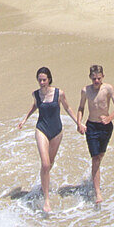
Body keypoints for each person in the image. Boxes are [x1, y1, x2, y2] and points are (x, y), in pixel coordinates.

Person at [17, 66, 78, 213]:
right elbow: (35, 106)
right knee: (45, 164)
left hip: (57, 131)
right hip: (42, 130)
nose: (42, 82)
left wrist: (78, 123)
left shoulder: (59, 93)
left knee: (50, 164)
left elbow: (68, 108)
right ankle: (46, 200)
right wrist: (25, 119)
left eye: (44, 80)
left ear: (49, 79)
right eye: (39, 80)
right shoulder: (36, 94)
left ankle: (43, 183)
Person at [77, 64, 114, 204]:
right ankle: (98, 193)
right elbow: (81, 107)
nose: (96, 81)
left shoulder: (108, 88)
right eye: (94, 78)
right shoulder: (85, 91)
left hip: (106, 127)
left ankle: (94, 176)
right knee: (95, 158)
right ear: (90, 77)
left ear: (103, 77)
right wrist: (79, 123)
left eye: (99, 78)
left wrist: (109, 118)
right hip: (92, 126)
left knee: (100, 156)